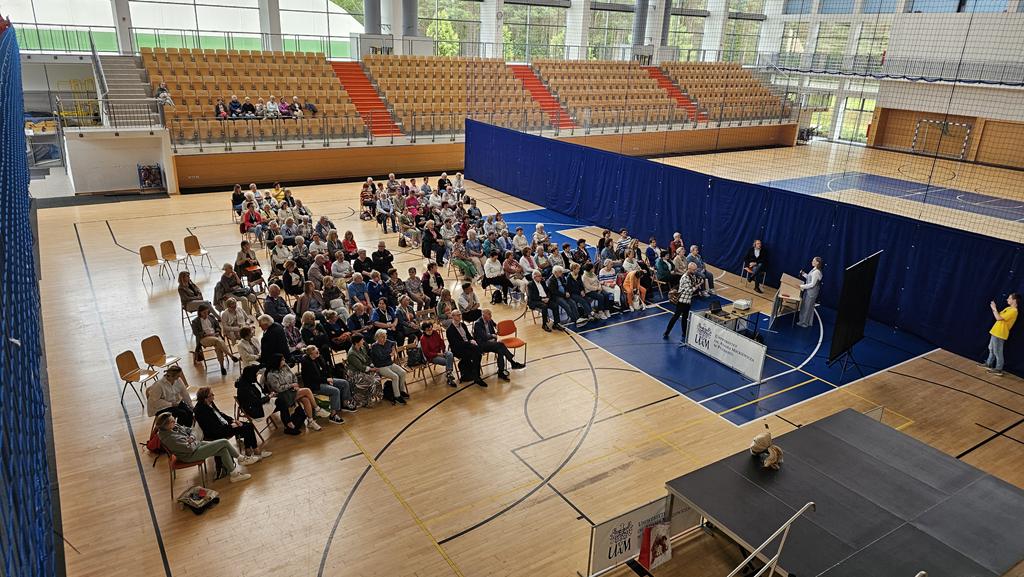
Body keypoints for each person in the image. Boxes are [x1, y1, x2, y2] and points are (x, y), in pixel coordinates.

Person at [156, 413, 253, 483]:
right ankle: (241, 459)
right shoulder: (170, 438)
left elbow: (190, 430)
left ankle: (234, 475)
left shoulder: (173, 426)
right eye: (172, 421)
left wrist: (193, 438)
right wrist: (195, 441)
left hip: (194, 445)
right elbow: (189, 449)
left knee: (223, 449)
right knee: (224, 441)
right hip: (189, 455)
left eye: (174, 419)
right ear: (166, 425)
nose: (175, 421)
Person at [193, 387, 269, 460]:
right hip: (217, 432)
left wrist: (233, 420)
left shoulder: (209, 402)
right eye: (212, 395)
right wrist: (231, 426)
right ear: (205, 398)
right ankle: (255, 451)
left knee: (248, 425)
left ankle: (249, 450)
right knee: (246, 428)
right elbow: (214, 428)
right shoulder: (201, 411)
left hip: (223, 425)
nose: (214, 396)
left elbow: (220, 414)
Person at [264, 352, 324, 431]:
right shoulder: (271, 375)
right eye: (282, 360)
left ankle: (311, 421)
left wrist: (295, 385)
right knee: (307, 390)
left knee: (306, 399)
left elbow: (294, 376)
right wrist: (291, 385)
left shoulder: (285, 366)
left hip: (293, 391)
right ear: (277, 362)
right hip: (283, 395)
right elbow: (278, 389)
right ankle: (317, 409)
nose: (284, 360)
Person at [301, 345, 356, 423]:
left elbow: (327, 369)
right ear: (311, 354)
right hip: (315, 385)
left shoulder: (318, 358)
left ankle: (345, 404)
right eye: (316, 352)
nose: (318, 352)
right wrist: (327, 380)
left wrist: (329, 378)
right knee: (335, 391)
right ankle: (333, 415)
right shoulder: (306, 363)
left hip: (324, 380)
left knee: (344, 383)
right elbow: (314, 379)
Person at [473, 309, 525, 380]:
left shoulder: (489, 320)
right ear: (483, 315)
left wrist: (497, 326)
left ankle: (501, 371)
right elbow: (484, 336)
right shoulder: (478, 323)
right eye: (489, 314)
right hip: (483, 344)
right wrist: (492, 335)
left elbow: (495, 324)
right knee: (501, 345)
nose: (491, 316)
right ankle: (513, 363)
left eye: (491, 314)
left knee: (500, 350)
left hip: (492, 343)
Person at [190, 304, 237, 375]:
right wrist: (207, 334)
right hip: (204, 338)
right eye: (204, 313)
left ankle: (222, 367)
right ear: (200, 312)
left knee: (218, 346)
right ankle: (230, 355)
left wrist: (217, 332)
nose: (206, 314)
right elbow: (196, 333)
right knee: (218, 341)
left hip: (215, 336)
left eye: (207, 312)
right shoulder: (195, 322)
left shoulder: (211, 317)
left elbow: (218, 327)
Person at [446, 309, 488, 387]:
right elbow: (457, 344)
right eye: (458, 315)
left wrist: (472, 340)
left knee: (477, 354)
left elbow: (468, 336)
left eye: (460, 314)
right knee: (477, 353)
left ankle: (476, 377)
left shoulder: (463, 325)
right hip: (459, 350)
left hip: (468, 346)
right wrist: (470, 343)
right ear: (453, 317)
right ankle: (477, 376)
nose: (460, 316)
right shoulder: (450, 330)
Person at [981, 293, 1018, 376]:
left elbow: (998, 317)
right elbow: (998, 316)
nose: (1007, 299)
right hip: (995, 331)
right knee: (991, 348)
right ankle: (989, 363)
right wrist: (995, 310)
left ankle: (998, 369)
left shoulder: (1014, 311)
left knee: (998, 352)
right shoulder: (1008, 308)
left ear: (1014, 300)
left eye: (1009, 298)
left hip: (1000, 333)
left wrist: (994, 308)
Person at [369, 329, 409, 404]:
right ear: (377, 338)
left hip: (390, 364)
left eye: (385, 336)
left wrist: (393, 350)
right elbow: (382, 357)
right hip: (381, 366)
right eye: (382, 337)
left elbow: (394, 343)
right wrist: (390, 354)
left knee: (403, 372)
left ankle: (401, 391)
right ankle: (397, 396)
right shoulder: (375, 346)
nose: (384, 338)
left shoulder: (387, 342)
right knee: (395, 376)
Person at [664, 262, 698, 342]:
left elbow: (692, 285)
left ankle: (684, 332)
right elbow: (689, 290)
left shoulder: (692, 276)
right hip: (682, 300)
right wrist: (696, 287)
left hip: (688, 301)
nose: (695, 271)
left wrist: (696, 284)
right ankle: (667, 331)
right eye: (694, 270)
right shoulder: (685, 277)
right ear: (689, 269)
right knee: (675, 317)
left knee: (685, 318)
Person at [420, 320, 456, 387]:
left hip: (440, 352)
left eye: (431, 329)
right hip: (432, 357)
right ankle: (449, 376)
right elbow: (427, 353)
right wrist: (438, 354)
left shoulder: (435, 333)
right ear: (424, 330)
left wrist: (442, 350)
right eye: (428, 330)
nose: (430, 331)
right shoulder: (423, 339)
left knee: (450, 354)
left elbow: (441, 341)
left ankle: (449, 374)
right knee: (447, 361)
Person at [797, 257, 823, 328]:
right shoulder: (814, 270)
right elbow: (809, 277)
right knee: (806, 306)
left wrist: (802, 286)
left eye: (813, 261)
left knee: (807, 308)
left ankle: (804, 323)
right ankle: (805, 321)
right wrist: (803, 274)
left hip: (811, 293)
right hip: (809, 291)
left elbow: (812, 284)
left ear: (817, 262)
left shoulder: (816, 272)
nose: (812, 261)